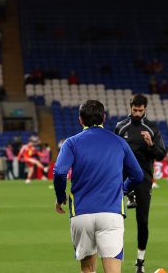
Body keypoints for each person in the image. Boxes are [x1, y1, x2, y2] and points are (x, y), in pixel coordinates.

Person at [56, 100, 143, 273]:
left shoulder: (71, 143)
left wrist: (60, 198)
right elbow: (138, 175)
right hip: (111, 213)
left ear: (80, 119)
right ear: (104, 117)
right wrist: (123, 190)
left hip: (81, 213)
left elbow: (59, 172)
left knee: (87, 268)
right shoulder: (119, 142)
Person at [114, 94, 166, 273]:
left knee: (142, 221)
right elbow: (113, 153)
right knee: (114, 221)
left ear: (145, 109)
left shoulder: (151, 128)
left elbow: (161, 154)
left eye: (140, 110)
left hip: (143, 178)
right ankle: (114, 263)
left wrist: (151, 144)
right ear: (130, 108)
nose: (137, 113)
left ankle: (140, 264)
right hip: (121, 178)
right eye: (134, 110)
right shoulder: (120, 127)